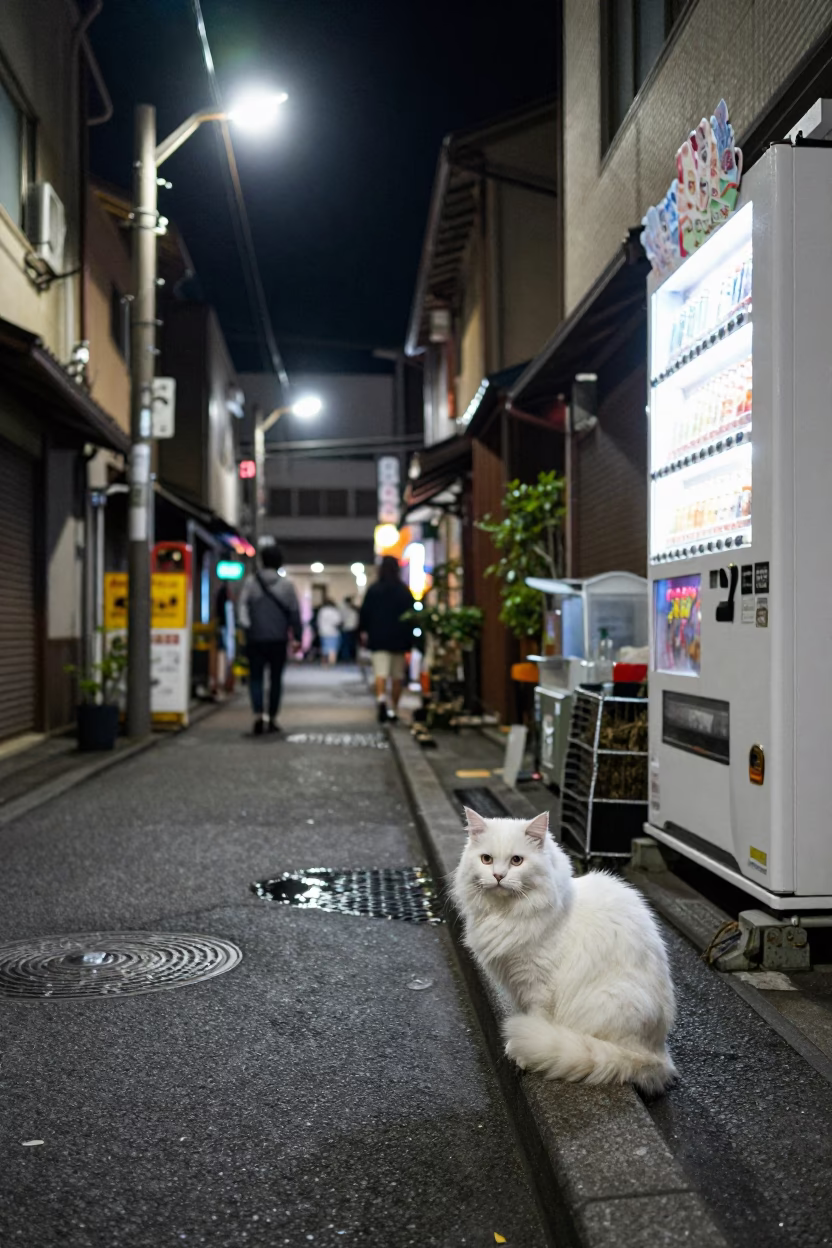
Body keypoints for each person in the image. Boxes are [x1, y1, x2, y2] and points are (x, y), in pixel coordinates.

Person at [238, 544, 302, 735]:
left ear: (262, 561)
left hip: (255, 638)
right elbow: (294, 613)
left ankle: (258, 716)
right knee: (275, 680)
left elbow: (241, 607)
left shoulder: (251, 583)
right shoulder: (287, 585)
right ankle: (272, 718)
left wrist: (246, 626)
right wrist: (297, 637)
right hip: (278, 640)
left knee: (255, 678)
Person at [359, 555, 415, 724]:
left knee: (380, 673)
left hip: (378, 638)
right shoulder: (403, 591)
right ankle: (394, 709)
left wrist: (364, 632)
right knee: (397, 676)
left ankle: (382, 700)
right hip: (399, 640)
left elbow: (364, 614)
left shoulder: (374, 589)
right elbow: (411, 616)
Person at [316, 597, 342, 665]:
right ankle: (331, 664)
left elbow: (318, 622)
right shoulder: (334, 611)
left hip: (323, 632)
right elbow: (338, 622)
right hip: (333, 632)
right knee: (332, 650)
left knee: (324, 649)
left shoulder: (321, 611)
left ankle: (324, 664)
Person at [339, 595, 360, 662]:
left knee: (347, 644)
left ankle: (347, 657)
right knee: (349, 644)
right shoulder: (350, 609)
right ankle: (348, 657)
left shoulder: (344, 609)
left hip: (347, 628)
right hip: (351, 628)